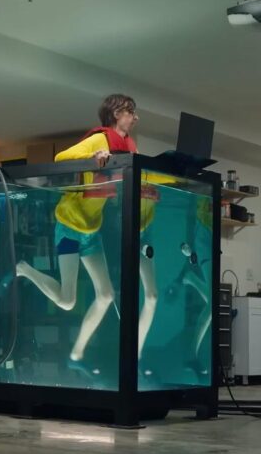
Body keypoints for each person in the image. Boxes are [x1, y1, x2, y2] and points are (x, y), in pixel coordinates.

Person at [16, 94, 161, 374]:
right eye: (131, 112)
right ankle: (25, 269)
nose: (136, 117)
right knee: (69, 300)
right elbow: (61, 157)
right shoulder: (101, 139)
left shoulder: (130, 145)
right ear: (117, 113)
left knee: (106, 295)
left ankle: (76, 354)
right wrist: (94, 156)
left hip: (91, 230)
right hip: (70, 225)